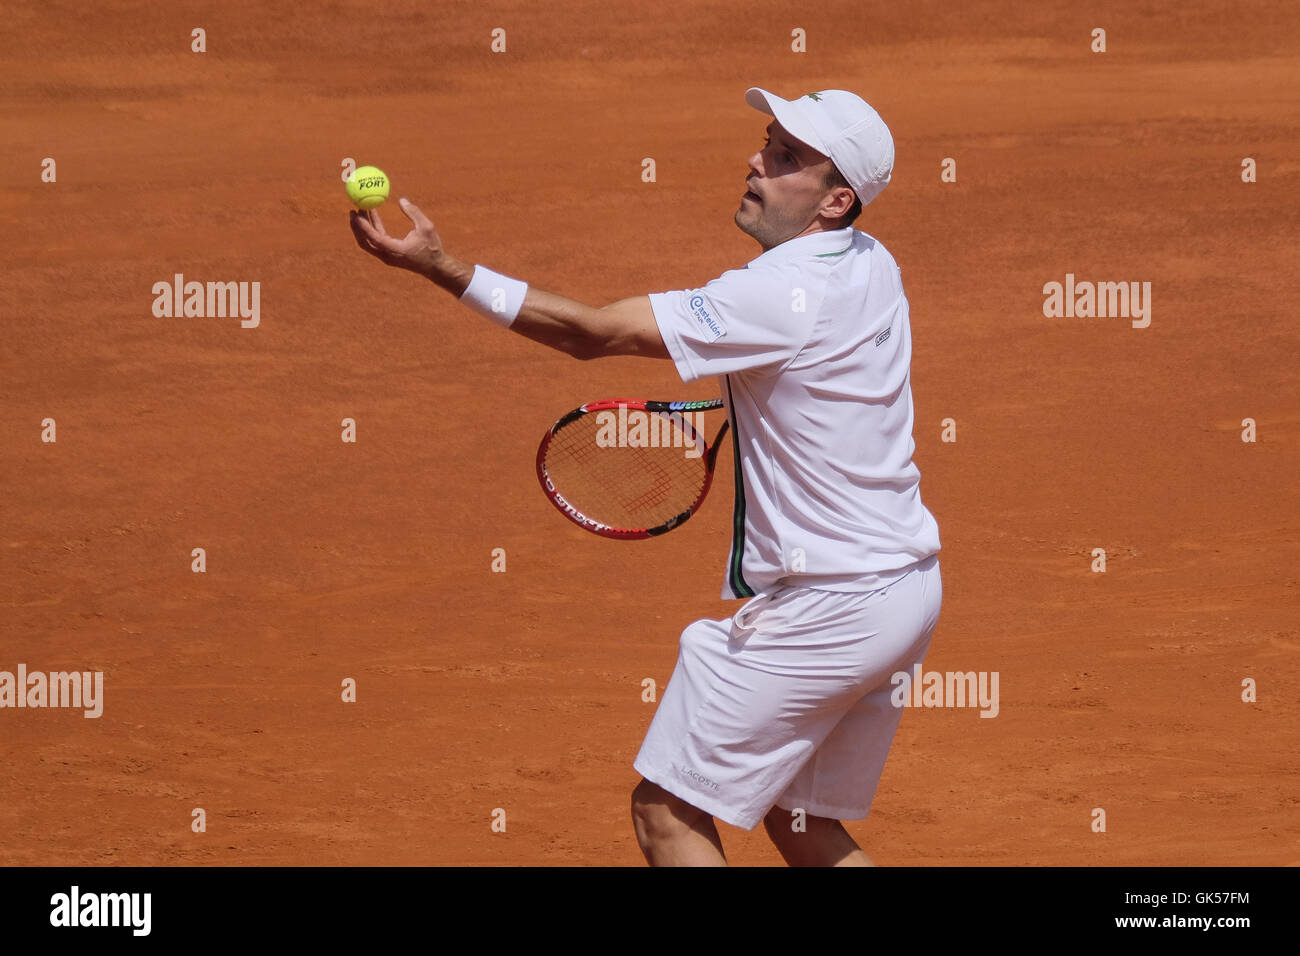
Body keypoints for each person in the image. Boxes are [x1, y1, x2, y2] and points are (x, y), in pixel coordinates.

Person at [349, 87, 942, 867]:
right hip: (905, 591)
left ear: (836, 199)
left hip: (827, 610)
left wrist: (442, 269)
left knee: (666, 812)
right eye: (767, 143)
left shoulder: (773, 294)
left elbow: (592, 333)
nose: (757, 163)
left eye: (787, 159)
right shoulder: (871, 262)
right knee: (802, 825)